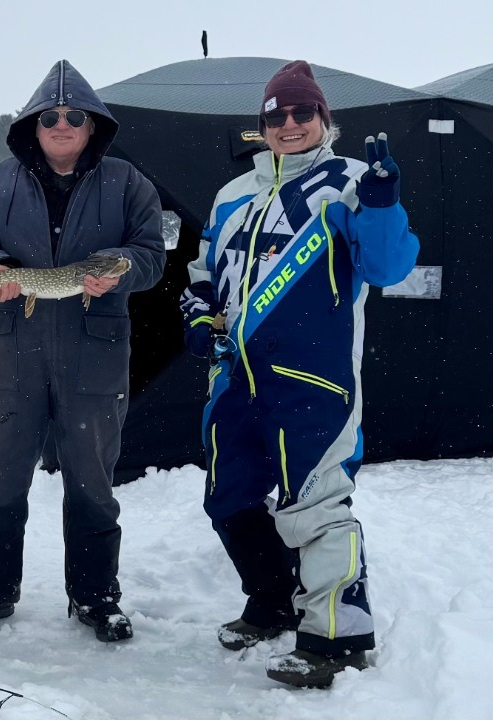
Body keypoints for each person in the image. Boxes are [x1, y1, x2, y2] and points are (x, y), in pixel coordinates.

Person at [179, 60, 418, 688]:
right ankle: (273, 602)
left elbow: (388, 266)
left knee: (314, 502)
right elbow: (203, 275)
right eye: (276, 115)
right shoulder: (231, 194)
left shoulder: (351, 182)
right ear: (262, 124)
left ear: (323, 119)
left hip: (314, 378)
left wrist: (385, 205)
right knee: (228, 497)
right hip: (235, 379)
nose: (289, 124)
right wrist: (201, 316)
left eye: (301, 113)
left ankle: (338, 637)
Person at [0, 60, 166, 641]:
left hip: (94, 358)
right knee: (0, 478)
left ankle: (95, 596)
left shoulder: (128, 182)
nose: (62, 124)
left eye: (74, 116)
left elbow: (151, 253)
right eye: (51, 116)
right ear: (34, 126)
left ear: (92, 125)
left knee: (93, 481)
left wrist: (118, 272)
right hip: (11, 354)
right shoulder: (0, 181)